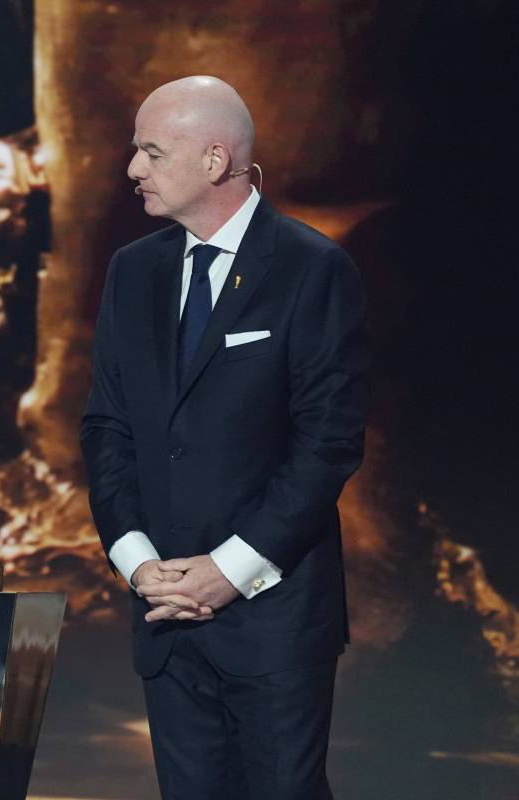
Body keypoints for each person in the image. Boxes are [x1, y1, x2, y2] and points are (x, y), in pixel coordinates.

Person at [80, 76, 367, 798]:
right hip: (165, 616)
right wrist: (139, 563)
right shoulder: (132, 272)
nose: (133, 168)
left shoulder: (311, 269)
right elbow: (107, 426)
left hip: (273, 620)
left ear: (214, 160)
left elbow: (327, 442)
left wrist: (229, 570)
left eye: (151, 152)